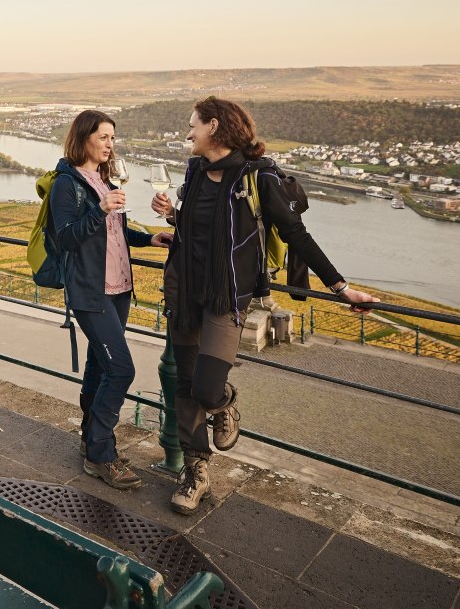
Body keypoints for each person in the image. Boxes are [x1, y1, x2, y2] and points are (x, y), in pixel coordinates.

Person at [151, 96, 379, 515]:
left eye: (192, 125)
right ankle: (195, 471)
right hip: (184, 292)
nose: (187, 132)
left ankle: (223, 404)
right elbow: (196, 227)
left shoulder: (259, 178)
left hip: (226, 297)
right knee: (184, 386)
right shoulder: (196, 171)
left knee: (204, 387)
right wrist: (172, 217)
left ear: (214, 127)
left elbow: (298, 235)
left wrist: (341, 288)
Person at [49, 110, 172, 490]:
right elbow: (66, 237)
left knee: (100, 367)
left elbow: (115, 229)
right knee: (122, 370)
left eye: (113, 139)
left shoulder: (102, 178)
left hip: (118, 288)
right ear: (84, 137)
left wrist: (147, 239)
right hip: (91, 291)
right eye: (103, 137)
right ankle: (101, 453)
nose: (109, 144)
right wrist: (100, 211)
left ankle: (91, 437)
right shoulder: (66, 184)